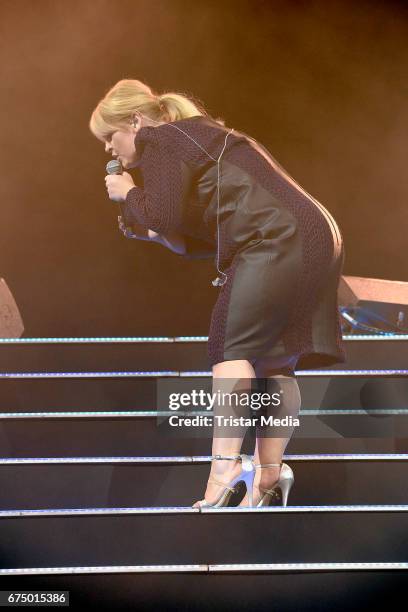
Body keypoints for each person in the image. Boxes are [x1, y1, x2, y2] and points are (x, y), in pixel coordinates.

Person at [89, 78, 346, 508]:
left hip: (276, 238)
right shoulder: (196, 138)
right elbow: (203, 227)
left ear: (135, 122)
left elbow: (163, 213)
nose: (109, 150)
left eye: (109, 137)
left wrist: (129, 193)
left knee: (229, 347)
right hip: (315, 235)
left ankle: (224, 469)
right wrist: (156, 229)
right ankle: (269, 473)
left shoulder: (163, 138)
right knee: (276, 357)